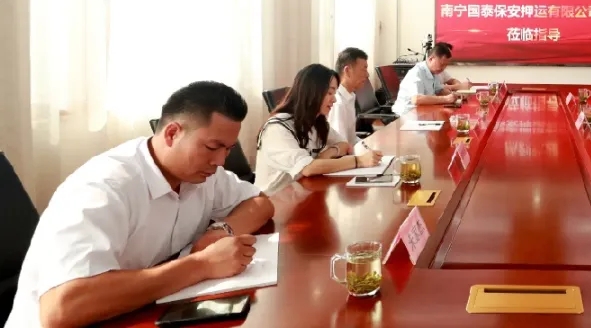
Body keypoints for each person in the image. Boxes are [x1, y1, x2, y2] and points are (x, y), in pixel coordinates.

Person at [5, 81, 276, 328]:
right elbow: (61, 309)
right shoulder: (103, 187)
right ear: (172, 133)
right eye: (212, 147)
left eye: (227, 149)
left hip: (138, 312)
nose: (220, 161)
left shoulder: (202, 175)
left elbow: (260, 203)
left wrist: (221, 231)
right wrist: (202, 265)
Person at [254, 64, 382, 194]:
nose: (334, 99)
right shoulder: (277, 128)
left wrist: (324, 155)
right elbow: (308, 168)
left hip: (303, 191)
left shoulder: (316, 121)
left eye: (335, 93)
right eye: (329, 93)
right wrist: (358, 161)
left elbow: (344, 144)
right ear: (312, 92)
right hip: (274, 200)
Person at [392, 42, 459, 114]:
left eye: (446, 65)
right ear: (431, 59)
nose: (443, 68)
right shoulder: (417, 72)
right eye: (441, 64)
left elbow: (439, 91)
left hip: (422, 111)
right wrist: (446, 99)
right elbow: (416, 99)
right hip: (406, 114)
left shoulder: (434, 72)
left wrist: (454, 96)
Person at [327, 47, 370, 144]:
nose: (367, 74)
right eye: (364, 69)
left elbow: (352, 139)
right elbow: (341, 144)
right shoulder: (338, 103)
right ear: (347, 70)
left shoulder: (350, 96)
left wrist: (368, 146)